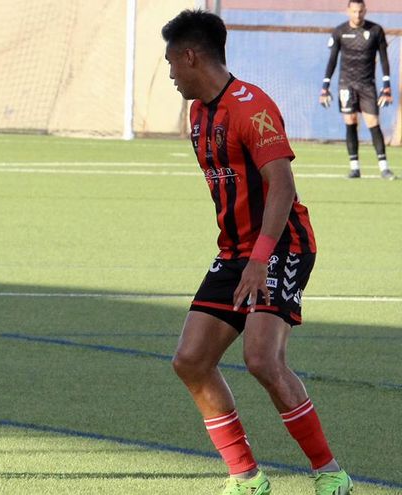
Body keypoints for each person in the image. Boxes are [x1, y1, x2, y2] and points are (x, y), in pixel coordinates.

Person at [162, 10, 354, 495]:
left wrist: (259, 258)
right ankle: (247, 477)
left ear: (190, 56)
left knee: (262, 360)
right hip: (235, 252)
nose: (169, 74)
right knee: (190, 360)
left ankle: (330, 473)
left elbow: (282, 186)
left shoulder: (253, 107)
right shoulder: (198, 113)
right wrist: (242, 256)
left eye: (170, 63)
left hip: (281, 244)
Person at [320, 0, 396, 180]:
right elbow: (332, 60)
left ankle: (384, 167)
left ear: (365, 11)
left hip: (367, 84)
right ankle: (355, 168)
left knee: (372, 122)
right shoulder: (340, 31)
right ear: (348, 11)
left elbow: (384, 59)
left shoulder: (376, 30)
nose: (357, 15)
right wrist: (325, 87)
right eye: (354, 11)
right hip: (346, 84)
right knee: (350, 121)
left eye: (360, 11)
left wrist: (386, 86)